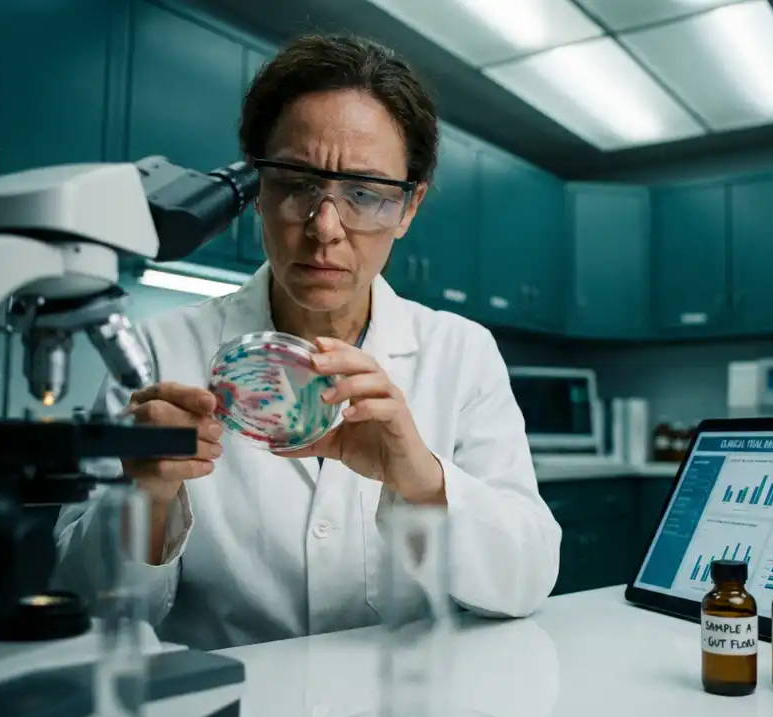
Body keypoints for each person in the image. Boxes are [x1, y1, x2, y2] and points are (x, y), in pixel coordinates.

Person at [53, 33, 561, 651]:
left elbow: (529, 578)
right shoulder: (157, 355)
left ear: (408, 208)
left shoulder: (462, 352)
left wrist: (424, 479)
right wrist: (147, 497)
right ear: (254, 191)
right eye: (296, 184)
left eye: (365, 194)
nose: (325, 228)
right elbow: (82, 607)